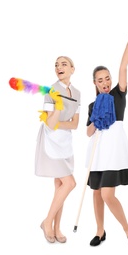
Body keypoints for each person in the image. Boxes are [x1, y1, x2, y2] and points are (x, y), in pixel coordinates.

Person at [86, 24, 128, 249]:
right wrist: (95, 121)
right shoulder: (93, 105)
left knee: (107, 195)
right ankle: (100, 231)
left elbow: (123, 67)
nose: (105, 82)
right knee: (96, 194)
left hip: (114, 151)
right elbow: (88, 132)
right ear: (94, 83)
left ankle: (127, 228)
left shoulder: (117, 95)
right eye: (100, 80)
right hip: (98, 151)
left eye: (107, 78)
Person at [35, 56, 81, 243]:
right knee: (70, 183)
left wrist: (59, 121)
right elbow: (51, 124)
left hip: (65, 143)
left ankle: (57, 227)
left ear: (72, 69)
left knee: (60, 186)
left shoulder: (77, 92)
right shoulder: (51, 91)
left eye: (63, 64)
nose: (58, 67)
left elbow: (76, 124)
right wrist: (58, 108)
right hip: (51, 141)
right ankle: (47, 222)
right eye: (56, 65)